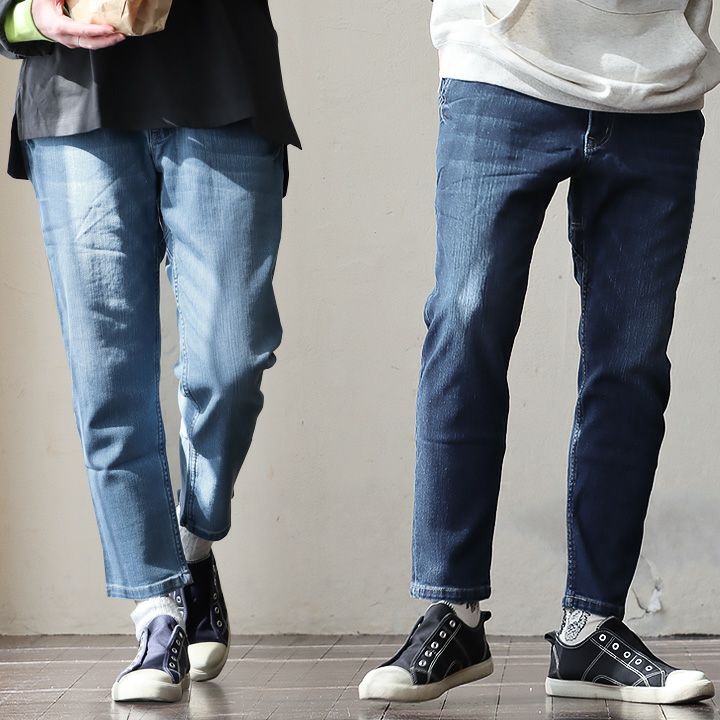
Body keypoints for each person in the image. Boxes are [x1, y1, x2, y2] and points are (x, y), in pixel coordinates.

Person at [360, 0, 720, 706]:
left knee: (632, 359)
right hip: (501, 61)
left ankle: (591, 628)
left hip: (656, 81)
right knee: (464, 321)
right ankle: (453, 613)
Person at [0, 0, 299, 703]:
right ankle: (157, 612)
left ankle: (191, 545)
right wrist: (34, 15)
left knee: (232, 359)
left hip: (222, 80)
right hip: (75, 102)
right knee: (108, 378)